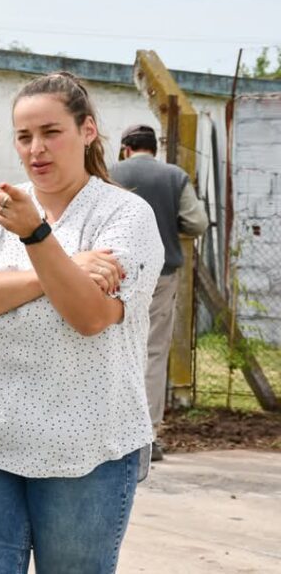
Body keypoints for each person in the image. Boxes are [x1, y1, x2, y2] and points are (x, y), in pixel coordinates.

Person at [0, 71, 164, 573]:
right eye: (24, 136)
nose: (36, 149)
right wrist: (62, 267)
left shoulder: (125, 215)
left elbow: (89, 314)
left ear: (87, 131)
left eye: (51, 132)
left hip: (85, 456)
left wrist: (37, 238)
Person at [110, 124, 208, 461]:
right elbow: (197, 223)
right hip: (161, 273)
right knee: (152, 352)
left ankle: (110, 428)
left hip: (113, 272)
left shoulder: (110, 173)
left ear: (126, 148)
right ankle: (145, 437)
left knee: (110, 345)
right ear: (155, 148)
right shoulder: (174, 175)